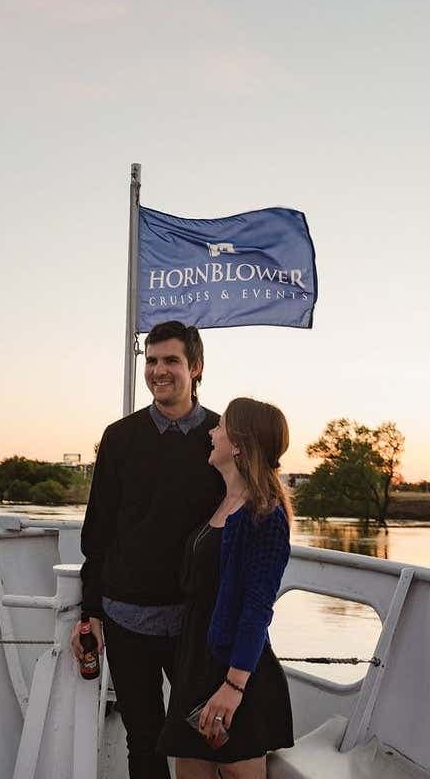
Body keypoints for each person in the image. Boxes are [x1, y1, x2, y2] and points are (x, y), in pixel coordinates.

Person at [71, 320, 225, 779]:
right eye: (152, 360)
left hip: (194, 621)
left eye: (171, 360)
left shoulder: (222, 437)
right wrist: (90, 611)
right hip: (125, 617)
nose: (159, 371)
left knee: (204, 736)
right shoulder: (120, 438)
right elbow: (97, 530)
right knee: (143, 738)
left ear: (195, 367)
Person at [158, 397, 295, 779]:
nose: (211, 432)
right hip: (196, 664)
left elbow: (256, 608)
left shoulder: (264, 515)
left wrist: (233, 687)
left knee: (240, 772)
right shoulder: (224, 502)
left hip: (231, 670)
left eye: (220, 427)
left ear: (237, 443)